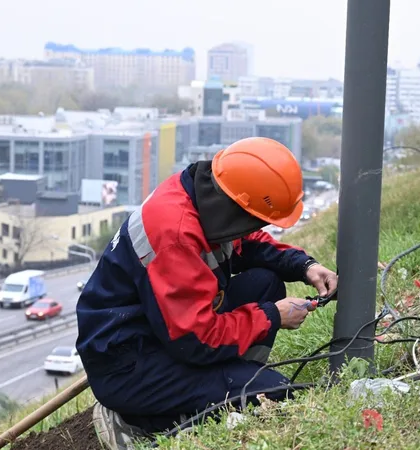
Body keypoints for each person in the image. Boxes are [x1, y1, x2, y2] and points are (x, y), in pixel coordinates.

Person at [75, 137, 338, 450]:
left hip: (161, 332)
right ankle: (138, 421)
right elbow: (197, 340)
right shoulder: (176, 236)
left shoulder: (210, 197)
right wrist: (273, 316)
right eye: (258, 219)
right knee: (273, 392)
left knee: (264, 283)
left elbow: (249, 243)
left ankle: (226, 382)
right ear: (238, 207)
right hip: (130, 365)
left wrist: (305, 266)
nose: (259, 226)